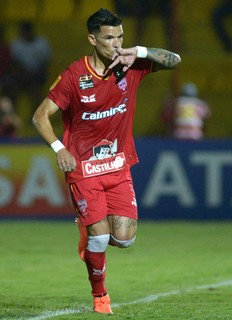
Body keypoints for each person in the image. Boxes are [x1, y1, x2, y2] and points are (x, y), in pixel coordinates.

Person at [32, 8, 181, 315]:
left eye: (121, 36)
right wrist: (59, 148)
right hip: (83, 169)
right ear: (92, 39)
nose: (117, 43)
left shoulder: (132, 65)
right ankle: (100, 296)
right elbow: (39, 116)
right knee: (99, 240)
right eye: (110, 37)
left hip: (118, 166)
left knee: (124, 240)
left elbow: (175, 60)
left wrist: (137, 52)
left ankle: (89, 235)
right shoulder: (75, 75)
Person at [10, 21, 51, 108]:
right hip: (21, 75)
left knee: (35, 88)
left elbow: (45, 62)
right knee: (12, 88)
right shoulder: (16, 44)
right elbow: (15, 63)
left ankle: (35, 115)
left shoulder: (42, 43)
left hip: (37, 75)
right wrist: (25, 73)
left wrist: (34, 74)